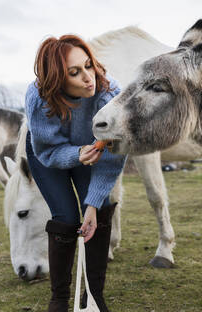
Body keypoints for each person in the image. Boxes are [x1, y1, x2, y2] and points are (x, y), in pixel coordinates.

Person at [24, 34, 126, 312]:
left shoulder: (111, 95)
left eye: (89, 65)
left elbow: (112, 158)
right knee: (67, 218)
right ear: (58, 79)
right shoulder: (39, 98)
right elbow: (47, 151)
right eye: (75, 72)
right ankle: (58, 299)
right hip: (48, 153)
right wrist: (76, 154)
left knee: (99, 211)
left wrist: (92, 205)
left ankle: (93, 297)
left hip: (93, 154)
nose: (88, 77)